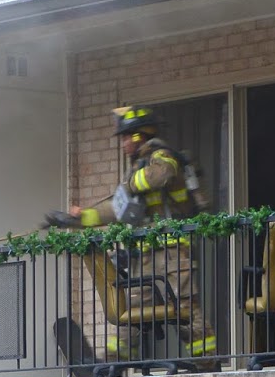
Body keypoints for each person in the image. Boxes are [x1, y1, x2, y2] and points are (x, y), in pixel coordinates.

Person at [45, 106, 216, 359]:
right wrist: (77, 220)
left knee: (186, 313)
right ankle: (112, 367)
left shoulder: (162, 155)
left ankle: (206, 365)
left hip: (172, 255)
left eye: (127, 137)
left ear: (140, 136)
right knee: (132, 314)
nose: (124, 143)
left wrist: (130, 184)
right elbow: (116, 209)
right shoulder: (138, 167)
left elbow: (163, 175)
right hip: (144, 258)